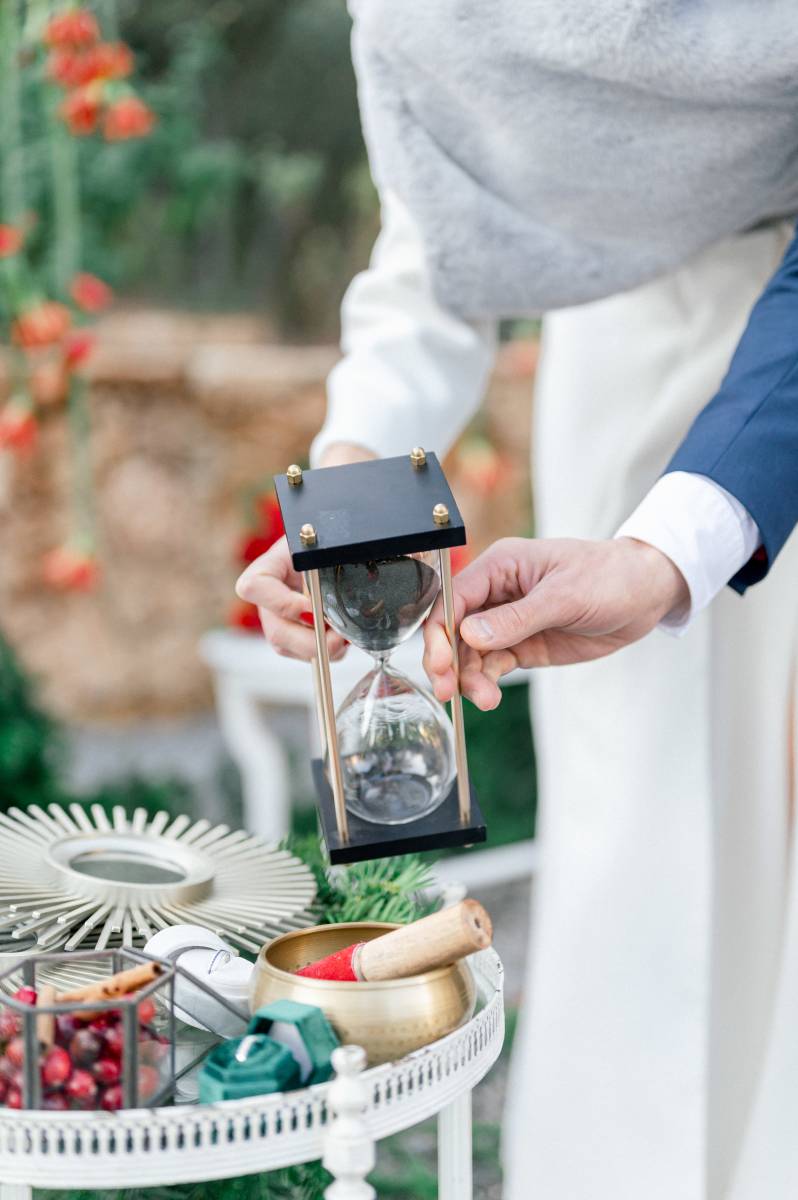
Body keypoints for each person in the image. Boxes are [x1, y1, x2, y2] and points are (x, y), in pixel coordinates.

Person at [237, 5, 798, 1197]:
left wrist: (676, 548)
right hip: (626, 358)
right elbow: (435, 253)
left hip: (780, 364)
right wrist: (349, 497)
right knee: (636, 841)